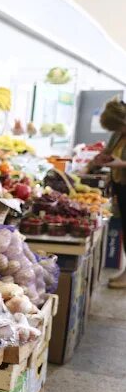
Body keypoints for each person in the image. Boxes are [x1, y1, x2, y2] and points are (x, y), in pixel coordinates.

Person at [87, 97, 126, 288]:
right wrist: (101, 158)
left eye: (118, 128)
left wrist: (121, 164)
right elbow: (110, 151)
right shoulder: (118, 134)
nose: (117, 132)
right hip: (120, 185)